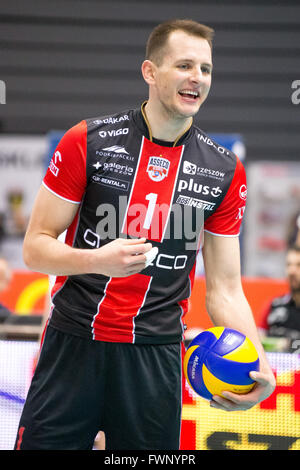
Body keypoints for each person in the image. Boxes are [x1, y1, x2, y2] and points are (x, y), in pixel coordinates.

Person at [14, 19, 275, 451]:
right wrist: (98, 261)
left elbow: (226, 290)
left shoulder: (224, 170)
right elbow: (35, 248)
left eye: (206, 69)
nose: (197, 78)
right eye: (185, 65)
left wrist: (261, 368)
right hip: (74, 344)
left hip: (156, 358)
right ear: (150, 72)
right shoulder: (88, 141)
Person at [259, 244, 300, 353]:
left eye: (298, 265)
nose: (292, 271)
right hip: (272, 367)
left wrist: (289, 344)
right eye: (289, 265)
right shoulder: (274, 305)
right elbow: (258, 340)